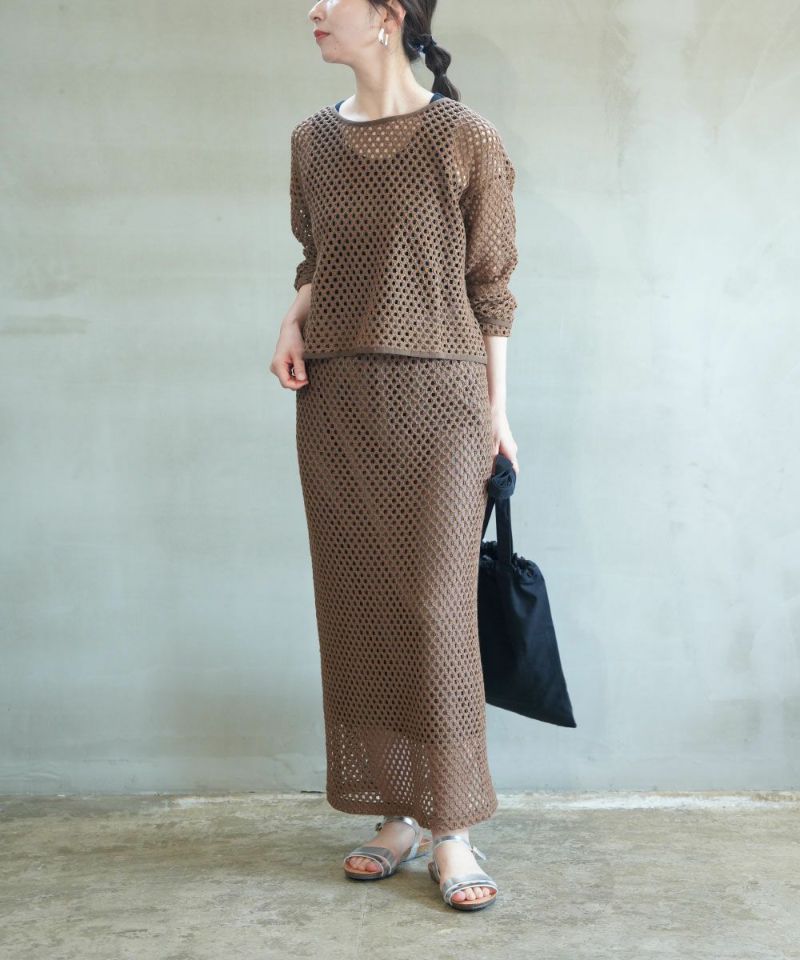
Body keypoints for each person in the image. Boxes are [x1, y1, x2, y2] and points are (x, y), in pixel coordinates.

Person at [271, 0, 520, 912]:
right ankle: (397, 813)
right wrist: (290, 322)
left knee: (433, 613)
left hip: (443, 403)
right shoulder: (311, 141)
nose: (312, 10)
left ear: (386, 16)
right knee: (361, 609)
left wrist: (498, 412)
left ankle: (452, 828)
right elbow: (317, 260)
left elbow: (492, 285)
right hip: (337, 401)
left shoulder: (464, 137)